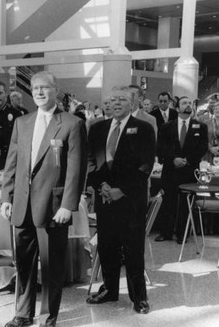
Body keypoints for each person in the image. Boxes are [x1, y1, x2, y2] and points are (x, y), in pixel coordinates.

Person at [1, 71, 87, 327]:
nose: (38, 92)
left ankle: (49, 317)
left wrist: (68, 205)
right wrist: (7, 196)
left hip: (52, 207)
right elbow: (12, 163)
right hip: (22, 206)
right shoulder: (22, 122)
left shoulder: (71, 124)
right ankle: (23, 314)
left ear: (56, 90)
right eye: (35, 88)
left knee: (51, 267)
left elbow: (76, 169)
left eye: (44, 88)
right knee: (25, 266)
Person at [85, 86, 155, 315]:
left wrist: (121, 190)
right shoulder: (97, 129)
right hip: (104, 199)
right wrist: (102, 186)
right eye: (112, 99)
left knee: (133, 249)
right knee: (107, 247)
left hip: (130, 200)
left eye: (122, 99)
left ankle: (139, 297)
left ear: (133, 103)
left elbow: (146, 165)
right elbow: (91, 162)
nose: (115, 103)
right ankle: (110, 289)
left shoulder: (143, 128)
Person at [154, 96, 208, 243]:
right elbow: (161, 147)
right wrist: (173, 159)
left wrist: (187, 160)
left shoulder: (201, 126)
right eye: (184, 103)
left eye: (190, 103)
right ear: (177, 108)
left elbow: (203, 147)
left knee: (186, 202)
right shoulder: (166, 126)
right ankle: (165, 232)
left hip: (189, 170)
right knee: (168, 201)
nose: (188, 105)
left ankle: (183, 234)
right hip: (170, 169)